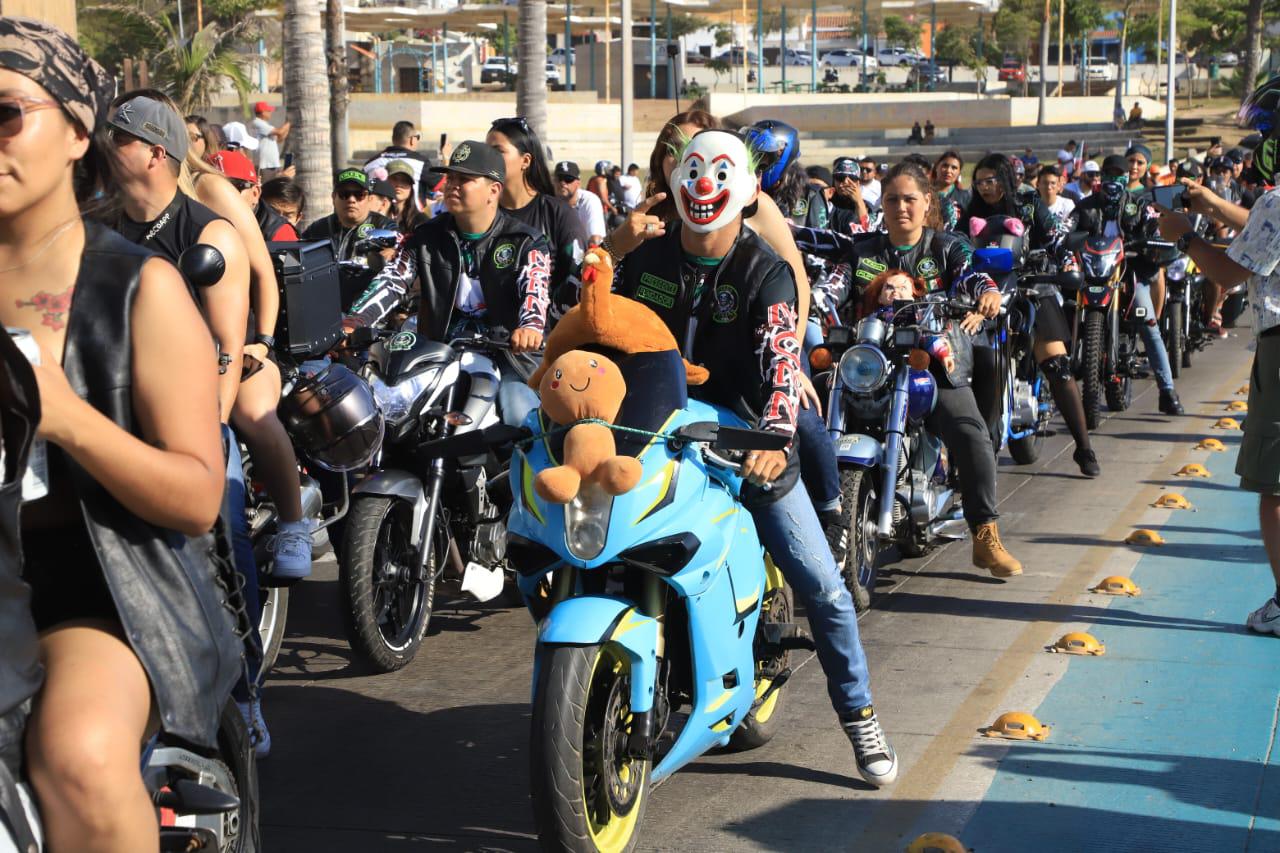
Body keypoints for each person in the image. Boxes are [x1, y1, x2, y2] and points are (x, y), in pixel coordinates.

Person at [0, 20, 242, 849]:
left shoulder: (143, 288)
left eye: (6, 113)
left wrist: (66, 415)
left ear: (75, 129)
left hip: (100, 594)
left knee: (82, 758)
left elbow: (197, 496)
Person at [613, 127, 898, 787]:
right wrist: (611, 247)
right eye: (692, 170)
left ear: (744, 191)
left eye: (719, 173)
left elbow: (779, 367)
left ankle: (858, 713)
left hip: (741, 440)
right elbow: (591, 323)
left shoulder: (763, 270)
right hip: (651, 436)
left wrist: (772, 438)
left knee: (825, 589)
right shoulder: (645, 261)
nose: (703, 185)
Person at [793, 162, 1027, 576]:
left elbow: (970, 275)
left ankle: (985, 533)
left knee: (969, 433)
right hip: (864, 362)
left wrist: (986, 291)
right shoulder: (862, 248)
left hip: (931, 363)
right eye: (892, 199)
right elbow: (836, 280)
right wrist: (813, 296)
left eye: (909, 199)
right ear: (881, 203)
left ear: (927, 202)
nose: (901, 207)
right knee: (804, 416)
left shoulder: (946, 247)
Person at [1157, 75, 1280, 632]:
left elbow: (1231, 270)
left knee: (1273, 485)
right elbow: (1262, 232)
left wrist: (1185, 236)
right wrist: (1212, 204)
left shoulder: (1277, 201)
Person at [359, 141, 549, 425]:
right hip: (437, 352)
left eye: (465, 179)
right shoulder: (426, 237)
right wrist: (356, 318)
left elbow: (535, 293)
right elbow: (392, 280)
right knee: (383, 409)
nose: (452, 185)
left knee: (520, 416)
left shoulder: (525, 242)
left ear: (493, 190)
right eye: (451, 178)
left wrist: (529, 328)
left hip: (508, 357)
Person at [967, 154, 1099, 476]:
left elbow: (1057, 238)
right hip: (982, 297)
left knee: (1058, 367)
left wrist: (1068, 264)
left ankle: (1084, 448)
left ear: (1007, 179)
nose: (985, 188)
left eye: (991, 180)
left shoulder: (1028, 202)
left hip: (1031, 289)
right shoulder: (968, 211)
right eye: (980, 182)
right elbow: (953, 243)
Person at [1075, 154, 1184, 415]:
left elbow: (1154, 228)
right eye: (1109, 174)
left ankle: (1167, 390)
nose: (1114, 180)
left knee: (1149, 324)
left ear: (1126, 177)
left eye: (1118, 175)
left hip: (1130, 274)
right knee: (1061, 309)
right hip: (1092, 275)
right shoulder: (1085, 206)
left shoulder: (1139, 204)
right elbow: (1067, 230)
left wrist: (1152, 239)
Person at [486, 117, 588, 317]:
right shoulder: (481, 213)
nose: (487, 159)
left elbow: (576, 282)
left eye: (498, 151)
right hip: (483, 337)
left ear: (525, 160)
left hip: (542, 338)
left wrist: (538, 325)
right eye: (486, 151)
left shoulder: (558, 214)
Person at [302, 168, 396, 262]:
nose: (351, 200)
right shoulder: (317, 229)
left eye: (359, 195)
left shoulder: (385, 227)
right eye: (344, 194)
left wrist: (392, 251)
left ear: (369, 199)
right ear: (334, 198)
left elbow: (402, 255)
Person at [210, 149, 299, 241]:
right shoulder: (197, 224)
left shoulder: (279, 233)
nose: (219, 195)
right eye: (208, 188)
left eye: (234, 187)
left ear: (255, 193)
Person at [363, 120, 436, 211]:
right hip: (413, 220)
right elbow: (442, 186)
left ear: (393, 139)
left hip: (377, 218)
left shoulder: (370, 163)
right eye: (417, 137)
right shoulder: (420, 162)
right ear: (412, 140)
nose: (399, 184)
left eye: (405, 181)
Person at [554, 160, 607, 246]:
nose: (563, 183)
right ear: (554, 181)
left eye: (568, 179)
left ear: (578, 183)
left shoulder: (589, 200)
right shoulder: (546, 202)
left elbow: (596, 239)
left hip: (584, 253)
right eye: (559, 179)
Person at [830, 156, 875, 234]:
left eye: (851, 178)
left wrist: (859, 202)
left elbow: (866, 231)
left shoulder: (866, 206)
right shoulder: (826, 200)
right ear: (834, 180)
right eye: (840, 178)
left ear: (858, 182)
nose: (845, 182)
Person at [385, 159, 429, 233]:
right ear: (385, 181)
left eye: (405, 181)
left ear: (411, 188)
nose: (399, 184)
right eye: (394, 178)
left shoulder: (421, 221)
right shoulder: (374, 216)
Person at [250, 100, 290, 179]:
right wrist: (289, 122)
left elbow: (280, 139)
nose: (270, 113)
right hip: (265, 166)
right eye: (268, 111)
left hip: (272, 164)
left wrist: (288, 127)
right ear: (263, 112)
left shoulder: (265, 125)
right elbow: (280, 132)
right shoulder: (257, 122)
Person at [932, 150, 970, 231]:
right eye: (945, 166)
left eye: (954, 168)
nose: (949, 171)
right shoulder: (924, 194)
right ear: (936, 167)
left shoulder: (966, 197)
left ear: (959, 173)